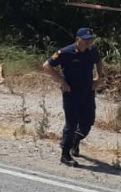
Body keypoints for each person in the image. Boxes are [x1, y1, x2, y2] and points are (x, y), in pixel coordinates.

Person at [43, 27, 106, 166]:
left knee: (88, 121)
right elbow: (47, 66)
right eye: (86, 39)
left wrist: (99, 77)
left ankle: (75, 141)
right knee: (71, 123)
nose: (89, 42)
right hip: (71, 92)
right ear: (78, 39)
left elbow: (98, 61)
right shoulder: (65, 52)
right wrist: (62, 81)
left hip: (87, 91)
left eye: (91, 39)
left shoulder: (92, 51)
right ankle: (65, 154)